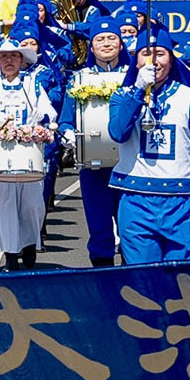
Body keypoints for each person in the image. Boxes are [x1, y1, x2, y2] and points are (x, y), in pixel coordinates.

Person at [108, 23, 190, 265]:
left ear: (171, 59)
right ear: (136, 60)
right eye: (146, 53)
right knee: (142, 283)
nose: (153, 61)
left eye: (160, 54)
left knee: (182, 283)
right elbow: (118, 132)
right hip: (137, 200)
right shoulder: (121, 96)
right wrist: (137, 91)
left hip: (181, 201)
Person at [0, 36, 57, 270]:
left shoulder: (33, 84)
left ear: (22, 60)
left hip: (29, 151)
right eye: (4, 57)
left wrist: (39, 127)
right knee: (3, 203)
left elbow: (47, 112)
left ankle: (30, 246)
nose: (9, 60)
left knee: (32, 203)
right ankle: (11, 253)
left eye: (14, 56)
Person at [59, 16, 130, 266]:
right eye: (100, 39)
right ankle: (104, 282)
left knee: (132, 229)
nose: (107, 43)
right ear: (92, 47)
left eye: (112, 38)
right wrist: (68, 134)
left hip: (130, 167)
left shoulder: (134, 78)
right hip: (94, 168)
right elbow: (65, 120)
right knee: (99, 229)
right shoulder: (79, 79)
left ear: (121, 45)